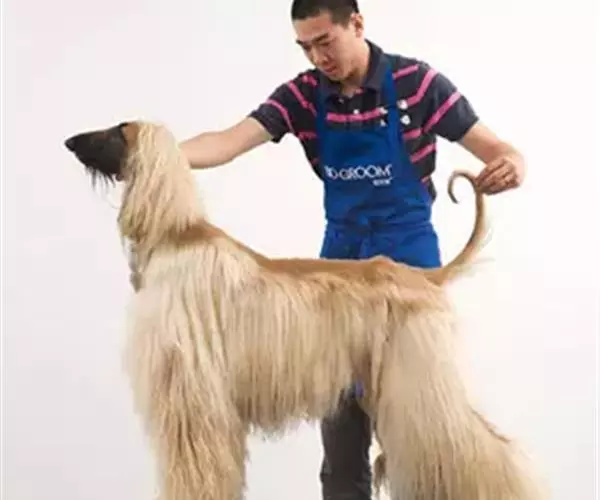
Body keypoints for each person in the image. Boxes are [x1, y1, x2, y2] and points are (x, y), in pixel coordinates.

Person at [179, 1, 526, 499]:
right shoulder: (303, 96)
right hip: (337, 274)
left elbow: (498, 149)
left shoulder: (417, 84)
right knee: (341, 435)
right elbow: (228, 141)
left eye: (325, 42)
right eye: (306, 48)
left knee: (426, 436)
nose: (318, 57)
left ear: (357, 24)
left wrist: (512, 164)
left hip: (409, 270)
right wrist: (161, 155)